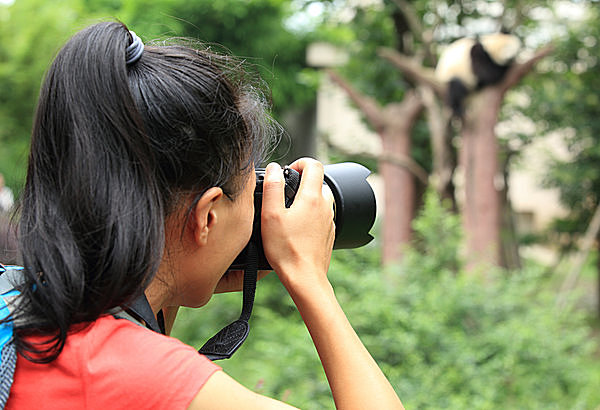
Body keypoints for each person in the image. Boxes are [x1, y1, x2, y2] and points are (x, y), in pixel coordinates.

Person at [3, 21, 403, 409]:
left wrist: (181, 280)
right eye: (253, 196)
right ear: (207, 217)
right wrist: (309, 277)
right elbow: (144, 374)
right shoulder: (146, 376)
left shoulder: (17, 305)